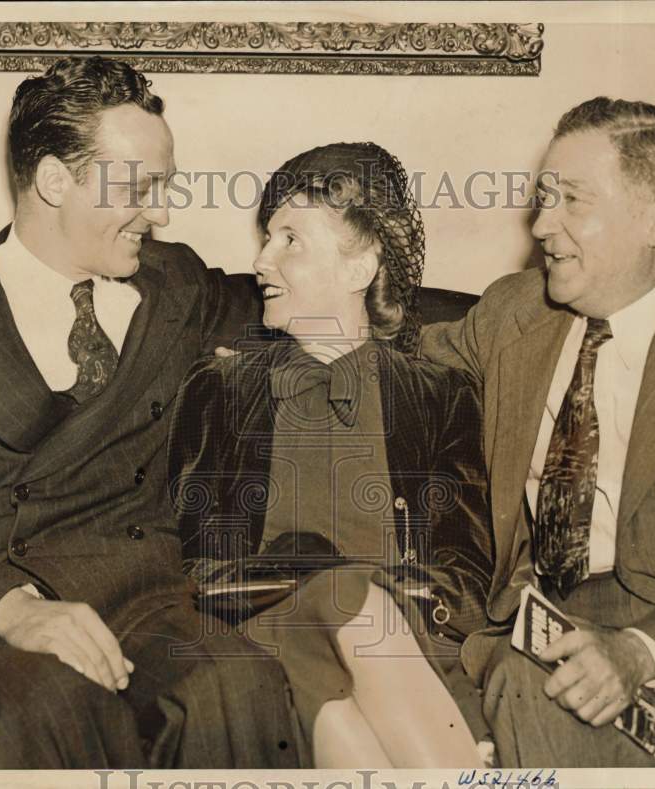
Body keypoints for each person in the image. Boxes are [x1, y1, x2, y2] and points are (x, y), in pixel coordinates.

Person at [0, 56, 299, 769]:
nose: (161, 213)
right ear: (56, 181)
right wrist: (15, 609)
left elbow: (309, 304)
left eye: (164, 188)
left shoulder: (175, 284)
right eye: (140, 189)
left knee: (238, 684)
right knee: (53, 703)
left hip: (140, 600)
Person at [420, 97, 655, 767]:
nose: (541, 224)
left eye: (571, 200)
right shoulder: (515, 309)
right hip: (540, 609)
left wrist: (640, 653)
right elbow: (409, 370)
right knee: (522, 681)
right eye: (543, 198)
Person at [169, 142, 496, 768]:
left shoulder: (439, 395)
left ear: (360, 267)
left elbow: (464, 575)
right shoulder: (219, 388)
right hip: (263, 633)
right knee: (345, 604)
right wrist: (327, 580)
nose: (261, 260)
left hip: (403, 647)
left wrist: (378, 602)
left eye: (290, 239)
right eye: (266, 238)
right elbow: (197, 562)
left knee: (346, 712)